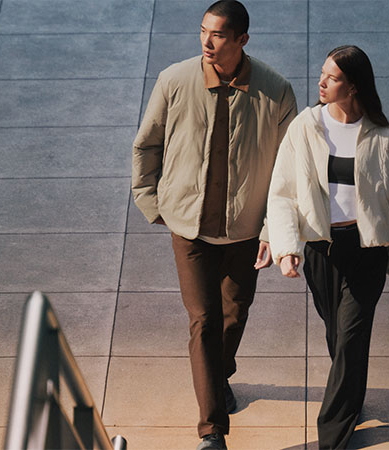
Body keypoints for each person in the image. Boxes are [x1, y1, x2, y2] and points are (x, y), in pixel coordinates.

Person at [131, 1, 297, 448]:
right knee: (202, 319)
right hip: (189, 226)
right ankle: (212, 430)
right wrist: (151, 199)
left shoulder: (276, 92)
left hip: (245, 230)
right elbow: (146, 145)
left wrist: (271, 232)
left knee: (233, 314)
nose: (207, 41)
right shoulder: (174, 80)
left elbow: (289, 171)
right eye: (204, 31)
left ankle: (218, 377)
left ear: (242, 39)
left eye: (219, 34)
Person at [266, 45, 389, 449]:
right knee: (338, 335)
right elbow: (281, 193)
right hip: (321, 248)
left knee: (350, 337)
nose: (321, 82)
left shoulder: (385, 138)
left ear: (353, 86)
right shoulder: (305, 126)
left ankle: (331, 436)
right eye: (323, 74)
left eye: (331, 78)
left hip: (368, 250)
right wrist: (285, 247)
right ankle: (351, 394)